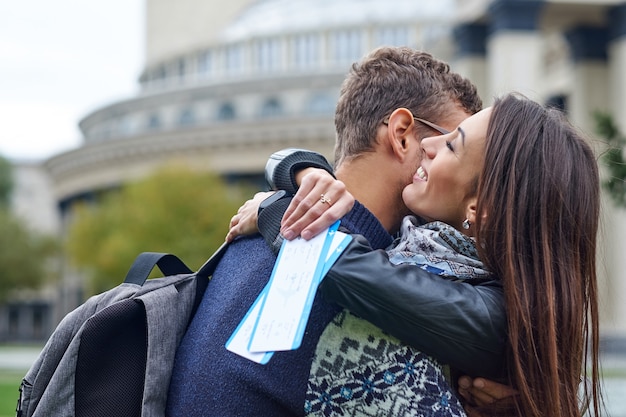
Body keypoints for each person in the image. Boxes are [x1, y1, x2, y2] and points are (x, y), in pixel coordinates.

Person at [166, 46, 505, 417]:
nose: (435, 148)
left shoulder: (251, 242)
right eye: (450, 138)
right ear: (403, 135)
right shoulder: (362, 309)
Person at [234, 93, 602, 417]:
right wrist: (301, 170)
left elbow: (342, 266)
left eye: (453, 145)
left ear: (479, 208)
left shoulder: (494, 319)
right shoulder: (420, 246)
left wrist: (277, 208)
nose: (430, 145)